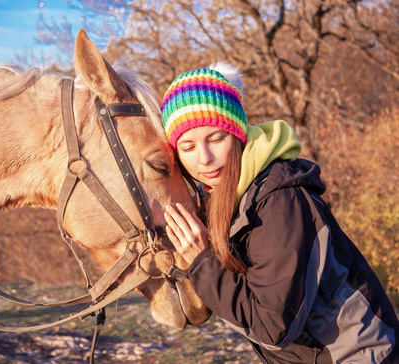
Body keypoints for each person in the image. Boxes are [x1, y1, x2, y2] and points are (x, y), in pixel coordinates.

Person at [161, 64, 399, 363]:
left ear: (237, 135)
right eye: (188, 146)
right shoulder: (231, 198)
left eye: (216, 139)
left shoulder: (279, 200)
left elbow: (272, 327)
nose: (205, 159)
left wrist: (202, 260)